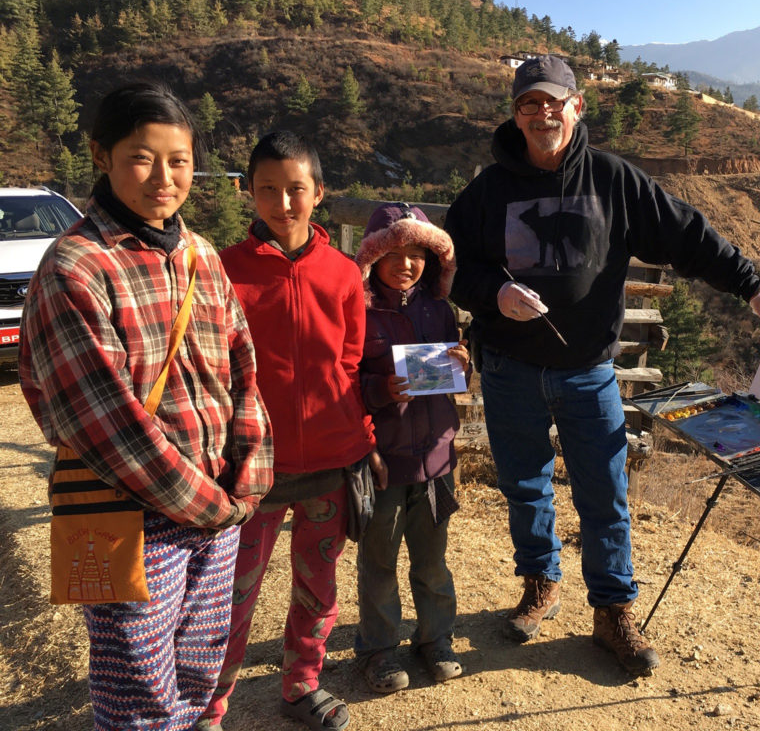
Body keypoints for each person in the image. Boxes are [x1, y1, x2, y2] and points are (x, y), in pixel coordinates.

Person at [444, 55, 760, 677]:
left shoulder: (613, 180)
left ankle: (612, 611)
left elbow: (689, 235)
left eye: (554, 101)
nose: (543, 113)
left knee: (604, 495)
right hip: (508, 370)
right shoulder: (487, 191)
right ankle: (540, 585)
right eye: (529, 104)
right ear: (515, 114)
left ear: (577, 107)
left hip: (588, 372)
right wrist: (492, 295)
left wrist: (755, 290)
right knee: (524, 486)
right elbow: (454, 266)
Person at [18, 81, 274, 730]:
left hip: (217, 506)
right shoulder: (74, 268)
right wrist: (214, 504)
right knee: (134, 684)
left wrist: (250, 470)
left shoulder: (201, 257)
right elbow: (104, 423)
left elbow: (243, 366)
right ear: (101, 155)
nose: (165, 177)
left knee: (198, 665)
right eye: (142, 157)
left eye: (180, 159)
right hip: (120, 512)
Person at [197, 131, 383, 731]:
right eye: (268, 190)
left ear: (319, 193)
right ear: (248, 193)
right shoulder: (224, 271)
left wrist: (366, 441)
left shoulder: (343, 273)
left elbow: (351, 364)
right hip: (251, 468)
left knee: (318, 586)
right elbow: (211, 369)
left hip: (332, 460)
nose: (283, 203)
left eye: (295, 190)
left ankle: (301, 684)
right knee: (231, 594)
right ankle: (209, 704)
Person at [353, 202, 469, 693]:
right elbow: (345, 382)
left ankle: (435, 638)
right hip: (386, 460)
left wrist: (463, 361)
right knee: (379, 560)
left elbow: (452, 379)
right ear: (374, 257)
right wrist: (382, 390)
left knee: (432, 558)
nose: (406, 263)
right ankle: (379, 649)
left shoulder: (439, 311)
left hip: (437, 459)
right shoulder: (358, 313)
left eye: (417, 252)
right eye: (394, 252)